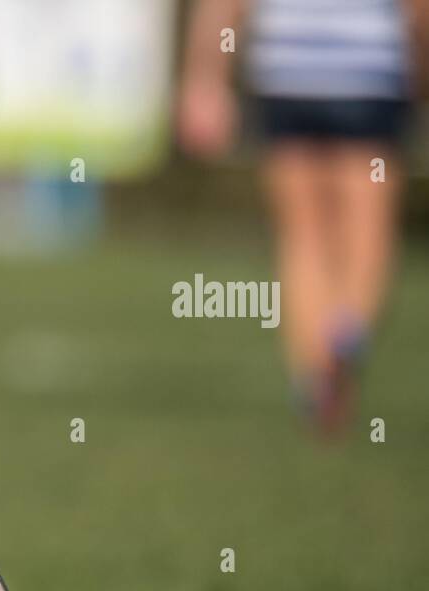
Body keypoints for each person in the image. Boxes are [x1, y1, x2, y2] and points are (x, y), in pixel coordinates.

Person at [179, 0, 426, 435]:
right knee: (368, 229)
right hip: (368, 73)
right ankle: (345, 336)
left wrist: (205, 79)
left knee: (302, 236)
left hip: (286, 71)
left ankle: (313, 373)